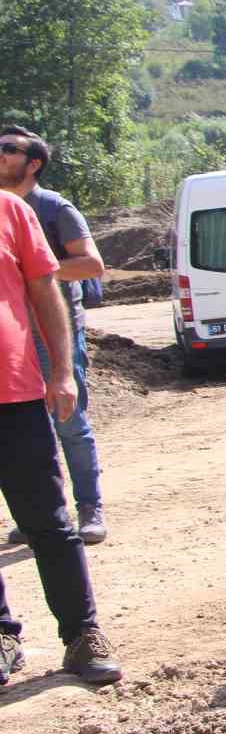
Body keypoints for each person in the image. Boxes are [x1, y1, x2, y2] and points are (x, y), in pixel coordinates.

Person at [0, 188, 122, 687]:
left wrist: (63, 372)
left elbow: (44, 288)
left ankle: (81, 636)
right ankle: (3, 637)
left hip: (14, 394)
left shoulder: (11, 210)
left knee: (49, 523)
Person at [0, 126, 109, 546]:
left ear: (34, 164)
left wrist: (35, 267)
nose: (0, 155)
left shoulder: (54, 208)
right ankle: (39, 515)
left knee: (69, 421)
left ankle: (89, 508)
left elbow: (92, 264)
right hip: (13, 340)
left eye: (9, 150)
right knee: (25, 431)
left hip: (53, 334)